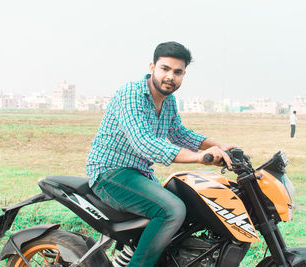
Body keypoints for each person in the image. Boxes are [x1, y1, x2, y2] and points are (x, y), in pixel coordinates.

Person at [86, 41, 233, 267]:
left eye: (177, 72)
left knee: (193, 203)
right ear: (152, 67)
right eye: (165, 69)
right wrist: (200, 158)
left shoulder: (169, 101)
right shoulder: (131, 94)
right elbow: (145, 143)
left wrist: (219, 146)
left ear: (184, 74)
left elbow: (178, 133)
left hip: (140, 175)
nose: (170, 77)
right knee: (171, 210)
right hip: (110, 173)